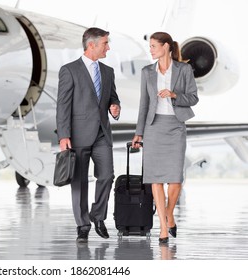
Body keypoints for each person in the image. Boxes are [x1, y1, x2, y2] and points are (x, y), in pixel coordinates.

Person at [131, 32, 199, 244]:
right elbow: (144, 105)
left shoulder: (184, 69)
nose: (150, 50)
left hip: (175, 126)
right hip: (153, 128)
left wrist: (174, 95)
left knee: (175, 179)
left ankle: (169, 214)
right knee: (156, 179)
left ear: (166, 46)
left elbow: (194, 98)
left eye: (153, 46)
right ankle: (162, 226)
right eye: (150, 46)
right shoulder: (147, 72)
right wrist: (138, 132)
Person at [56, 27, 121, 243]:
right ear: (91, 45)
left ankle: (97, 216)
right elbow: (63, 106)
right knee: (80, 182)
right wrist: (64, 135)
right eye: (105, 43)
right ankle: (82, 225)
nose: (108, 47)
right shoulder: (69, 70)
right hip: (78, 134)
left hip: (102, 133)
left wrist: (115, 106)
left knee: (107, 176)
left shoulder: (108, 72)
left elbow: (113, 97)